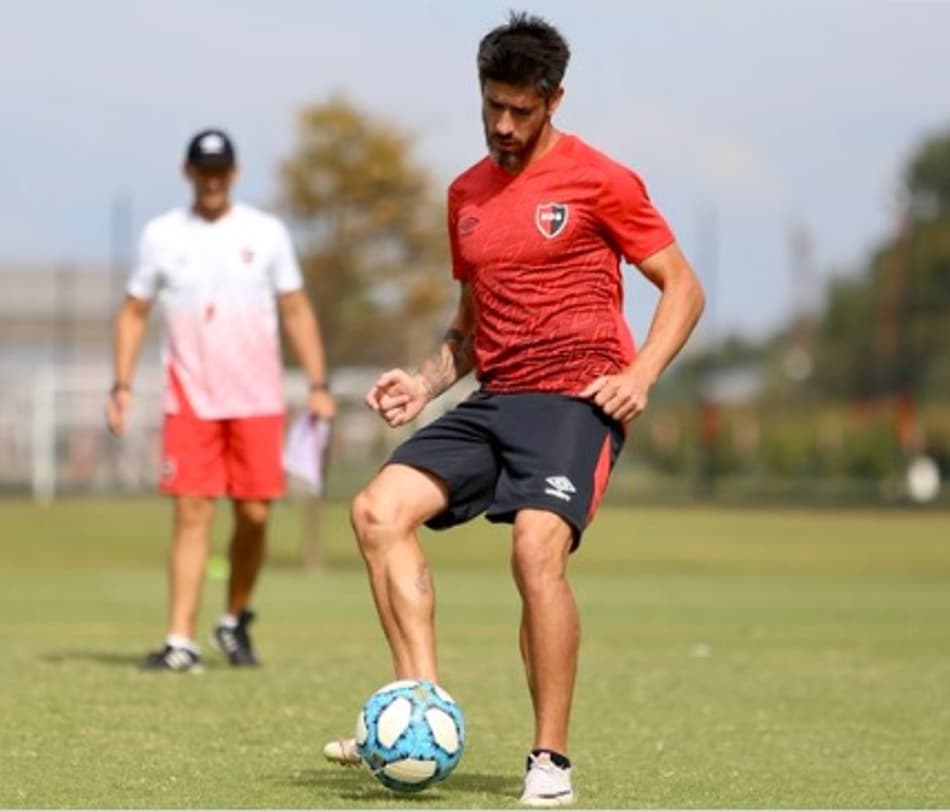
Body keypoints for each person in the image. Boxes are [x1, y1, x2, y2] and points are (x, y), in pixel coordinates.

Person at [323, 11, 704, 806]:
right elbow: (470, 328)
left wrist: (641, 374)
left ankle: (550, 762)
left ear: (554, 100)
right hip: (496, 398)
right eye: (491, 106)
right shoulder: (465, 194)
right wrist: (423, 385)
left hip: (577, 397)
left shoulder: (602, 180)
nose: (502, 125)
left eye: (520, 111)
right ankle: (416, 712)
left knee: (536, 550)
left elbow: (684, 287)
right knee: (375, 510)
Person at [106, 128, 336, 672]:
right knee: (192, 510)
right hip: (190, 395)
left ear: (233, 174)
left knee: (255, 514)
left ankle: (233, 618)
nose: (212, 179)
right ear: (188, 172)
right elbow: (134, 311)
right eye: (203, 170)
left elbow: (296, 309)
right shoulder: (162, 235)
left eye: (220, 170)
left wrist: (319, 385)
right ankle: (180, 640)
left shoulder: (266, 233)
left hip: (257, 396)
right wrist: (120, 385)